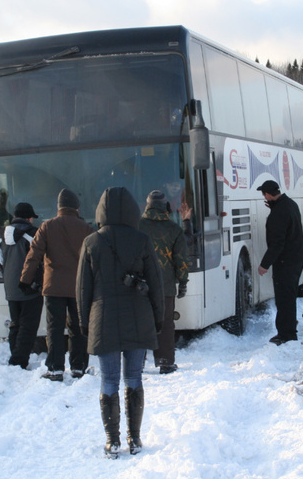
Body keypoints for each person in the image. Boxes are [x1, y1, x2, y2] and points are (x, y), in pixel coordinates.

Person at [77, 187, 163, 458]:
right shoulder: (143, 240)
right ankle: (135, 439)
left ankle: (112, 441)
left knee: (110, 379)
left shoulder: (91, 242)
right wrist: (157, 319)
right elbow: (156, 284)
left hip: (104, 319)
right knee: (134, 377)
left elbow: (82, 289)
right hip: (138, 316)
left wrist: (84, 323)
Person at [20, 188, 94, 381]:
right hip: (79, 288)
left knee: (54, 327)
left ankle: (55, 368)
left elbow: (34, 254)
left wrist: (25, 279)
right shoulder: (86, 228)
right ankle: (78, 367)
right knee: (78, 327)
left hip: (53, 287)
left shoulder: (47, 227)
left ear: (59, 207)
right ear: (76, 207)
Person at [139, 190, 189, 374]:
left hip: (139, 285)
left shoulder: (136, 226)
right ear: (165, 206)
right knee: (166, 323)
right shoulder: (174, 229)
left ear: (147, 205)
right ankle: (165, 362)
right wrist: (182, 282)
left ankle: (137, 362)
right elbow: (181, 260)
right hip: (165, 286)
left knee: (141, 323)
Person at [256, 179, 303, 345]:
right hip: (296, 259)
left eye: (264, 194)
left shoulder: (279, 213)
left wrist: (265, 264)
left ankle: (287, 334)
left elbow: (278, 242)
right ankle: (287, 330)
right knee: (288, 298)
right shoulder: (290, 204)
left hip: (286, 263)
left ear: (268, 195)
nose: (264, 197)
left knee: (284, 299)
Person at [0, 202, 43, 369]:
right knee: (28, 326)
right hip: (30, 287)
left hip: (10, 288)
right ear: (28, 218)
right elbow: (41, 259)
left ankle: (15, 354)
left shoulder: (2, 237)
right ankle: (18, 360)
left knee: (16, 323)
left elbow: (1, 261)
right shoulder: (32, 235)